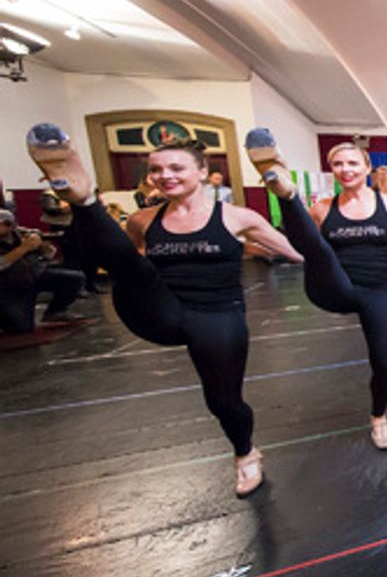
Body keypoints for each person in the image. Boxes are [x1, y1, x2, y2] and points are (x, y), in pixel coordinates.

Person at [28, 124, 301, 496]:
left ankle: (245, 452)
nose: (163, 177)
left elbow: (296, 252)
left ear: (202, 172)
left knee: (223, 400)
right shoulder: (143, 220)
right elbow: (125, 258)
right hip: (158, 308)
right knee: (132, 266)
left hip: (217, 314)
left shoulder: (239, 218)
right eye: (156, 170)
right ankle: (83, 198)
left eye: (175, 168)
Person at [245, 130, 387, 451]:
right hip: (335, 287)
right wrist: (261, 246)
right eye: (337, 164)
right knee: (318, 249)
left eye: (351, 163)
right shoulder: (322, 208)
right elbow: (301, 246)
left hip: (380, 293)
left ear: (366, 166)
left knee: (385, 363)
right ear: (332, 170)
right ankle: (285, 192)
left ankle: (379, 417)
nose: (345, 169)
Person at [0, 208, 85, 333]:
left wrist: (43, 246)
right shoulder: (23, 242)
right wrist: (24, 248)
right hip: (8, 286)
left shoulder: (22, 234)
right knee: (20, 328)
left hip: (34, 276)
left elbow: (49, 256)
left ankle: (56, 311)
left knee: (75, 278)